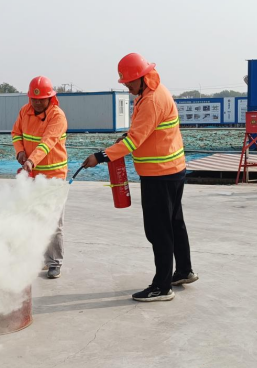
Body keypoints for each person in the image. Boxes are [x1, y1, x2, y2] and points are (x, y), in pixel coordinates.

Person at [82, 53, 198, 302]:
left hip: (159, 175)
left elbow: (134, 142)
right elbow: (144, 131)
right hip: (173, 170)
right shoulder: (153, 93)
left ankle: (162, 287)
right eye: (124, 82)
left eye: (129, 81)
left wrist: (100, 157)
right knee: (174, 223)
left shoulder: (151, 100)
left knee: (159, 231)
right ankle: (184, 271)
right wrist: (127, 136)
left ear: (142, 77)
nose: (127, 85)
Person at [12, 76, 68, 279]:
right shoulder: (24, 111)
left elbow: (47, 142)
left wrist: (31, 161)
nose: (36, 103)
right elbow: (16, 133)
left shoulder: (57, 116)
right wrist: (20, 151)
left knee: (53, 221)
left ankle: (54, 263)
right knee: (34, 218)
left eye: (41, 99)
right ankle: (42, 259)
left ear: (50, 98)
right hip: (33, 175)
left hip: (54, 177)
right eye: (33, 99)